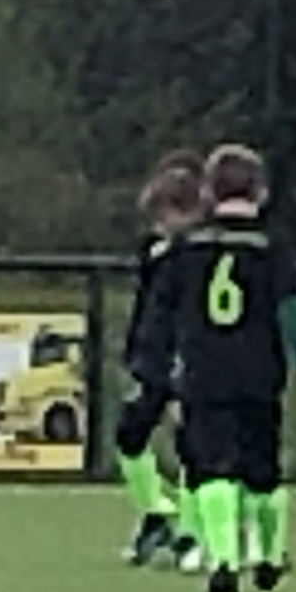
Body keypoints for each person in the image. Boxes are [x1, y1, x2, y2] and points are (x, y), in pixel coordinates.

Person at [145, 143, 296, 592]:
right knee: (262, 468)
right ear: (261, 192)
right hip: (260, 373)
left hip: (204, 373)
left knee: (213, 467)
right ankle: (268, 555)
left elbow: (160, 313)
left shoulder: (186, 248)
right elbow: (291, 309)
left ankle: (223, 559)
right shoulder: (272, 247)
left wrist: (157, 369)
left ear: (208, 192)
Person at [114, 153, 207, 567]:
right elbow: (146, 307)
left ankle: (191, 532)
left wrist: (187, 361)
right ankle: (155, 513)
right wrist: (134, 353)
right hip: (150, 358)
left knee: (191, 444)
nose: (157, 226)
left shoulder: (199, 257)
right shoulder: (153, 251)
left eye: (163, 217)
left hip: (187, 358)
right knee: (130, 434)